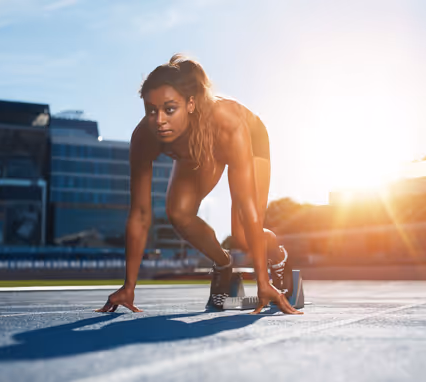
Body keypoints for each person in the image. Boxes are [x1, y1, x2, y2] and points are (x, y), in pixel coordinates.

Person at [96, 54, 302, 315]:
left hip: (248, 140)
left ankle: (279, 259)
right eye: (151, 110)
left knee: (243, 234)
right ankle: (223, 265)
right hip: (199, 149)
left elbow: (246, 204)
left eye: (169, 109)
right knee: (179, 214)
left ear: (190, 104)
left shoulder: (226, 122)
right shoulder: (145, 136)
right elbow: (139, 214)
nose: (159, 120)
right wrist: (129, 285)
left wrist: (263, 282)